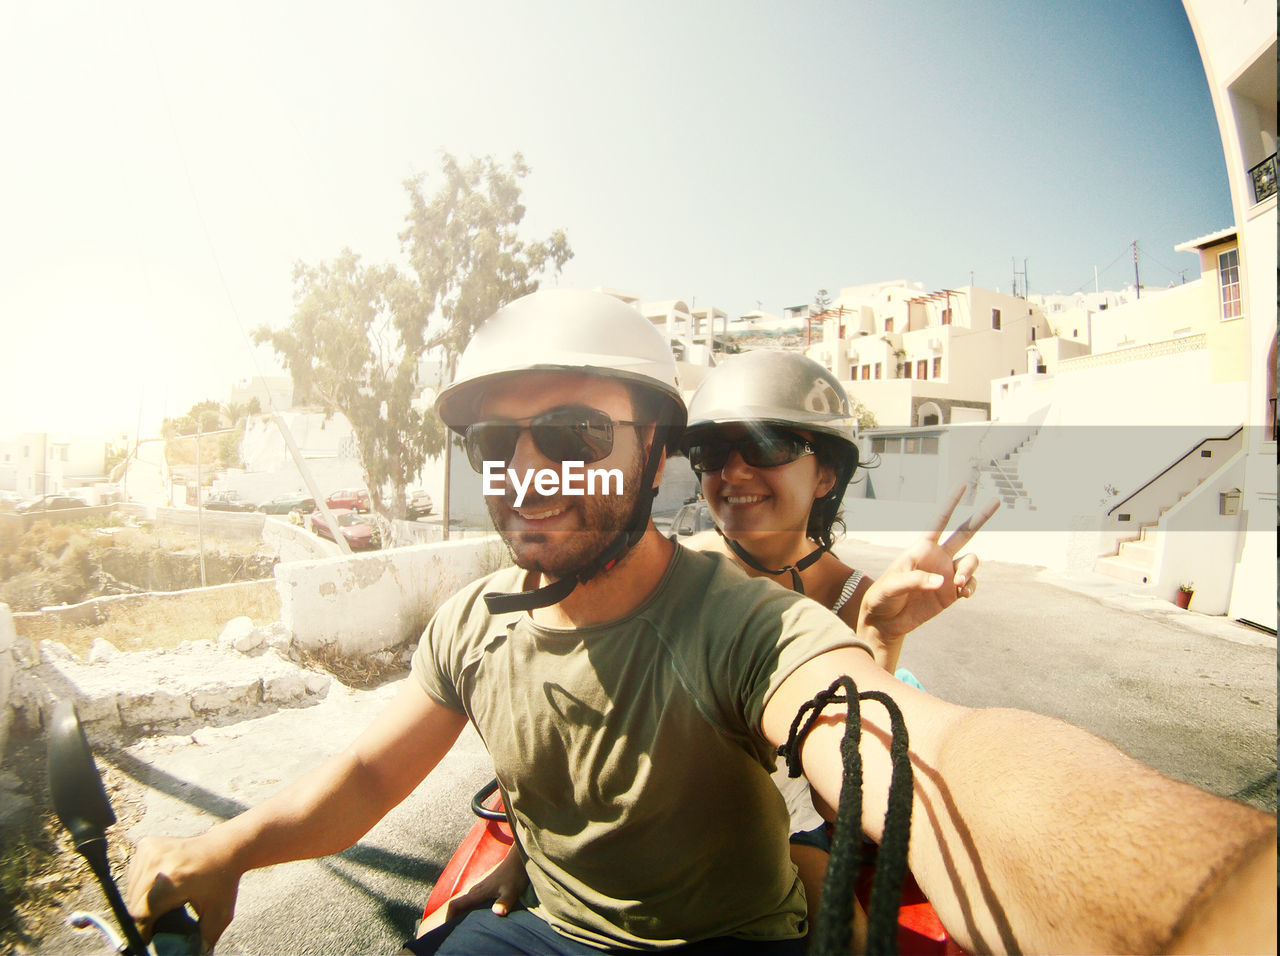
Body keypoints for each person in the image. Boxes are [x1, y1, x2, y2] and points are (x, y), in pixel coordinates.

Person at [127, 289, 1276, 955]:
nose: (529, 471)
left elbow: (919, 755)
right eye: (495, 447)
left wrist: (1205, 901)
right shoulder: (473, 619)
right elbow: (365, 781)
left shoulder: (742, 620)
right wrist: (221, 848)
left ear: (648, 456)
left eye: (573, 433)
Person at [436, 349, 998, 940]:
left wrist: (882, 635)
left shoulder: (863, 598)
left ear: (826, 472)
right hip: (680, 808)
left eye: (767, 448)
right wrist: (520, 858)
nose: (733, 474)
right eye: (710, 452)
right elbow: (572, 722)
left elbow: (852, 786)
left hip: (792, 811)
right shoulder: (670, 573)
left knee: (846, 931)